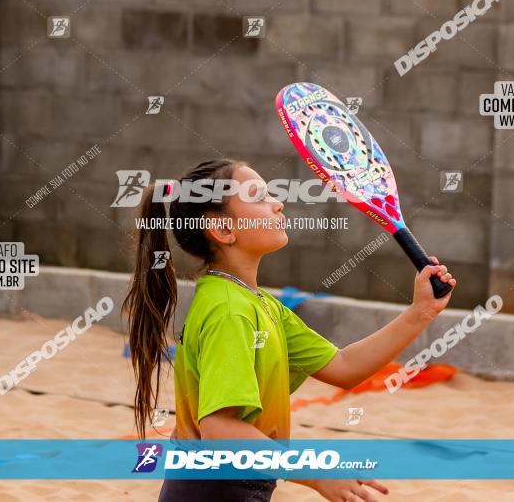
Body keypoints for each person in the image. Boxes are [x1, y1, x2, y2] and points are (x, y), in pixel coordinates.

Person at [122, 159, 456, 502]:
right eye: (258, 196)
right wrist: (315, 474)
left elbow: (344, 366)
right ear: (222, 230)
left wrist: (422, 311)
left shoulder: (259, 303)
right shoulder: (229, 310)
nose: (277, 203)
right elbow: (220, 430)